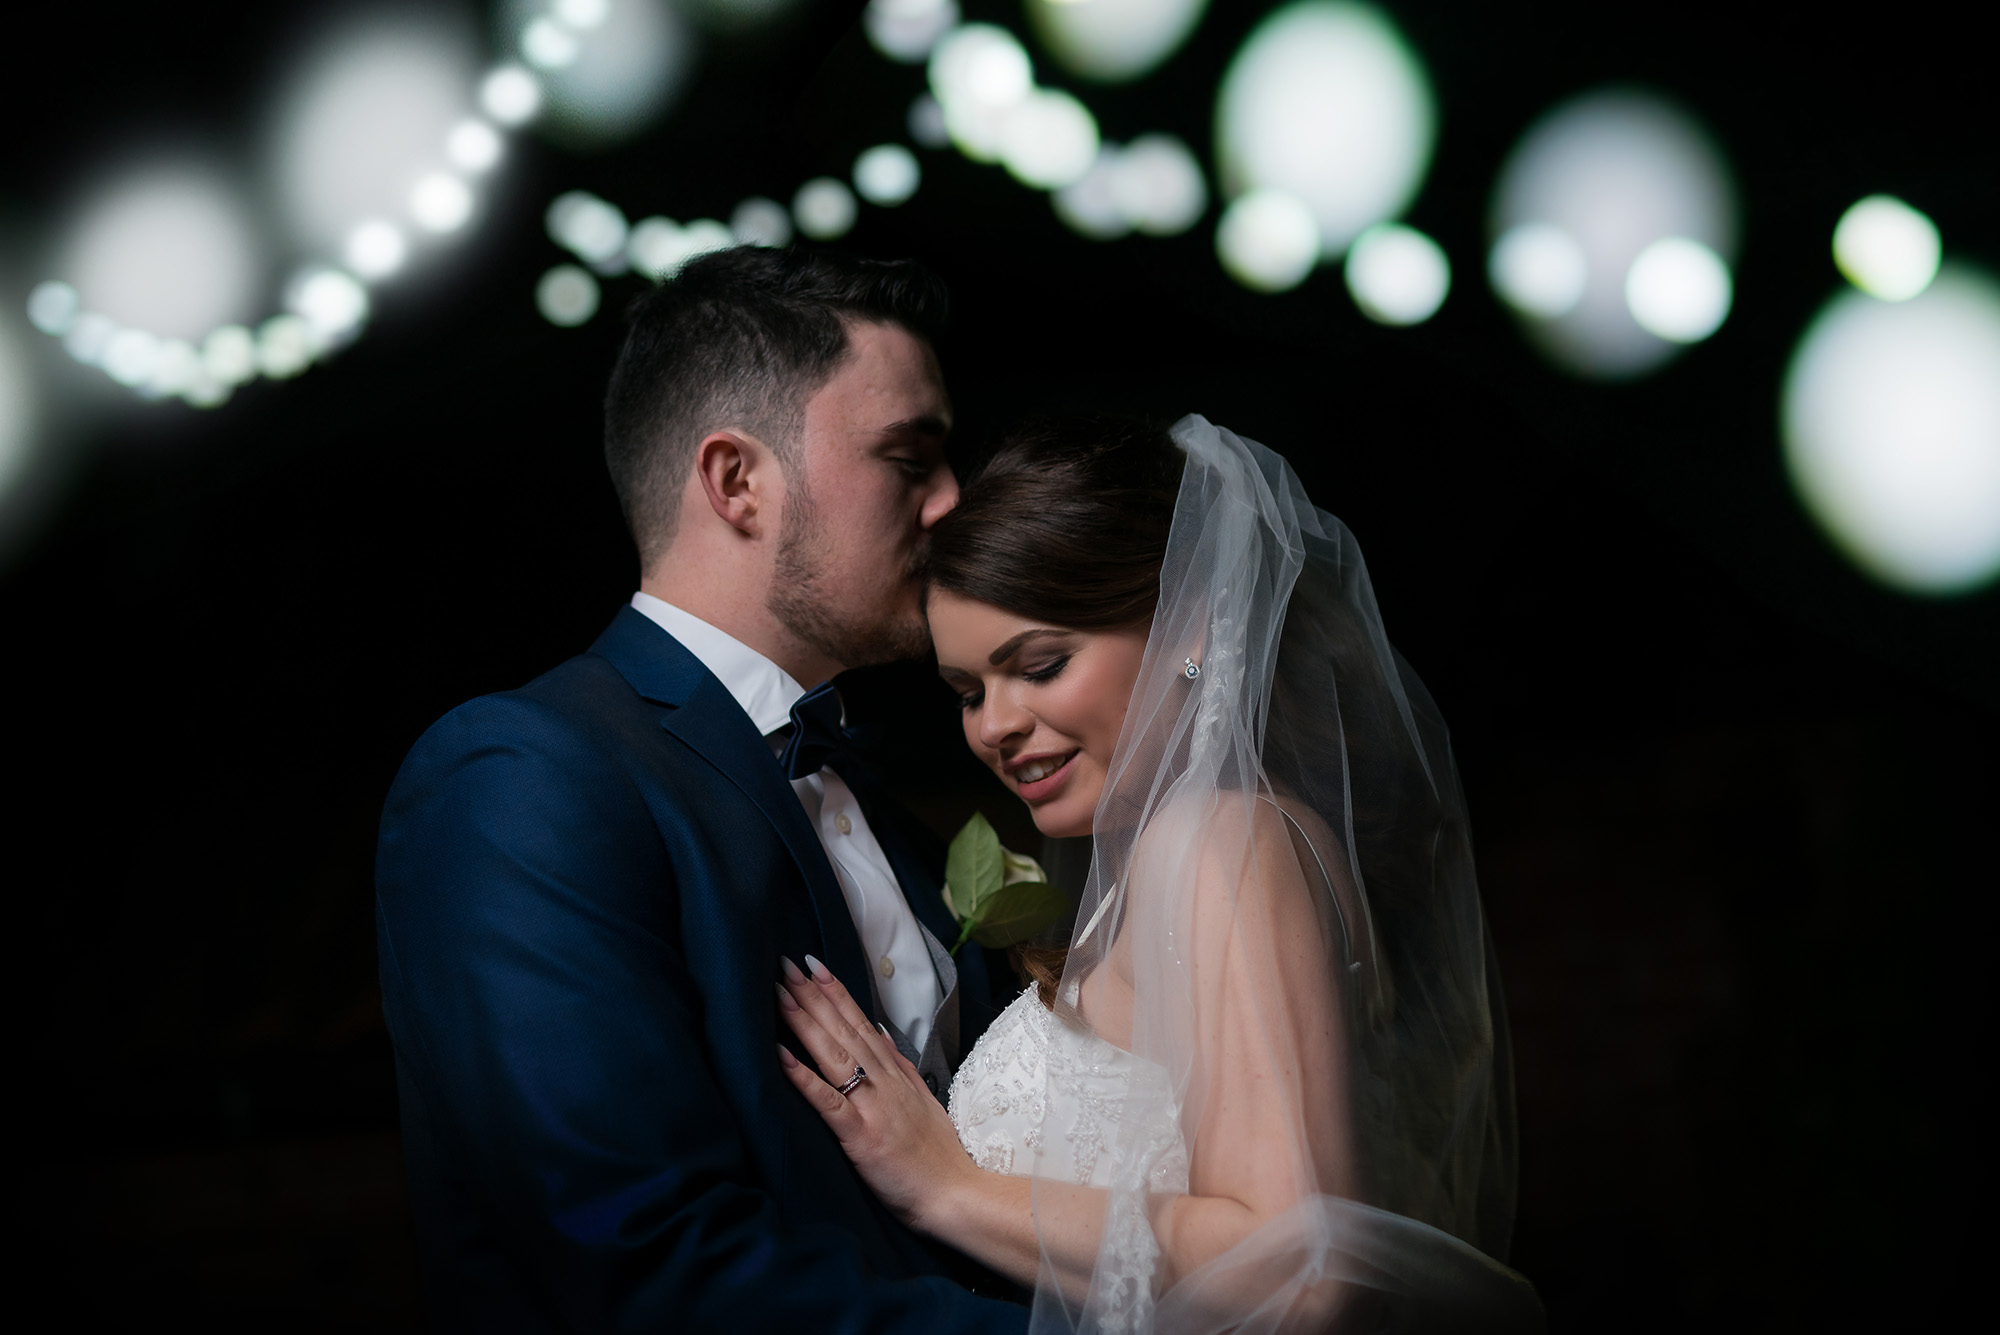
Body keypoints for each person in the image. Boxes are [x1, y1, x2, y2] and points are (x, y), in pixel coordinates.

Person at [374, 247, 1028, 1331]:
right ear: (736, 482)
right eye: (908, 459)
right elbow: (649, 1266)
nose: (952, 502)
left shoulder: (879, 802)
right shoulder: (521, 776)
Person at [774, 416, 1547, 1332]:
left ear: (1190, 622)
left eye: (1040, 665)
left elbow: (1298, 1266)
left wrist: (945, 1188)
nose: (996, 726)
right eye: (970, 691)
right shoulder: (1194, 849)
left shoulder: (1216, 839)